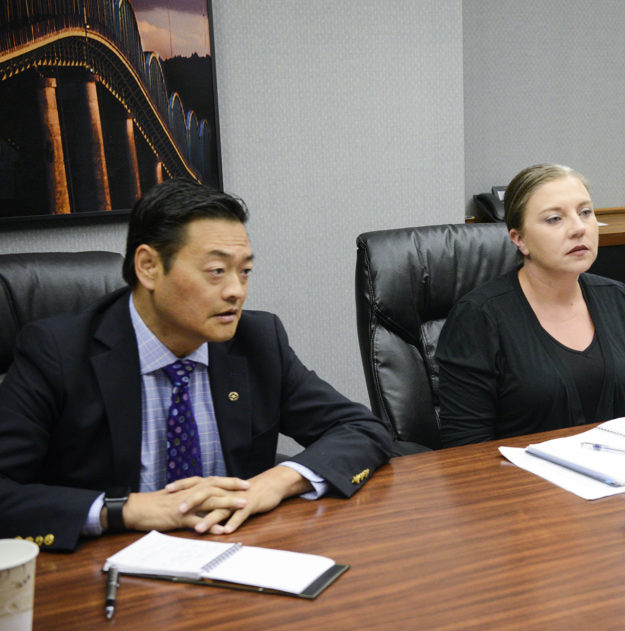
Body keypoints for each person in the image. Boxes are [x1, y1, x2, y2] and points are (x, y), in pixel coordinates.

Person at [0, 179, 392, 551]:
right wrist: (127, 509)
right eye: (216, 272)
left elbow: (361, 429)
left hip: (236, 556)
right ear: (149, 267)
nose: (236, 290)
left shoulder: (258, 341)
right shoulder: (58, 352)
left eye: (245, 271)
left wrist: (273, 483)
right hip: (106, 570)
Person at [437, 163, 625, 447]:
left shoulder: (617, 298)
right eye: (555, 219)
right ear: (519, 239)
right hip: (521, 485)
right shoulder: (479, 317)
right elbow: (466, 446)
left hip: (621, 480)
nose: (579, 228)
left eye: (585, 212)